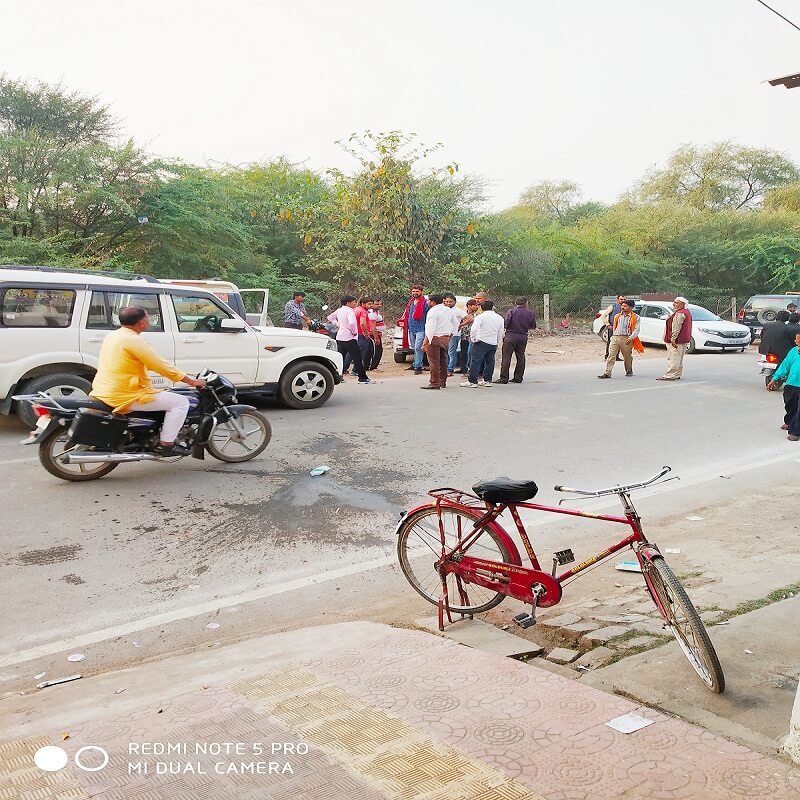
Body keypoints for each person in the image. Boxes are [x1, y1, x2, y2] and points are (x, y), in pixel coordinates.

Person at [89, 306, 205, 456]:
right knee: (181, 402)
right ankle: (167, 444)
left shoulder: (114, 336)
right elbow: (160, 365)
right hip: (126, 393)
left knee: (164, 396)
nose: (149, 320)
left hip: (104, 389)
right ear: (141, 323)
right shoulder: (133, 340)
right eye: (148, 318)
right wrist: (191, 381)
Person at [328, 296, 371, 384]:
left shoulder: (339, 310)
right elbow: (351, 323)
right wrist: (354, 331)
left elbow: (330, 317)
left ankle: (338, 376)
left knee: (341, 357)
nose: (355, 304)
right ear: (348, 303)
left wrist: (339, 325)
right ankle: (362, 377)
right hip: (349, 337)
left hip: (340, 337)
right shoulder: (350, 311)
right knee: (357, 358)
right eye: (354, 302)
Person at [462, 300, 503, 388]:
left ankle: (473, 381)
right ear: (492, 307)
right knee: (490, 361)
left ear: (481, 308)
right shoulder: (499, 318)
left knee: (476, 361)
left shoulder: (480, 317)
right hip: (492, 342)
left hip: (481, 341)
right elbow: (500, 331)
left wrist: (473, 339)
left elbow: (474, 329)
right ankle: (487, 380)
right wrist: (497, 341)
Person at [768, 331, 800, 441]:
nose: (795, 341)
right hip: (791, 384)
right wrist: (774, 378)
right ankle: (789, 421)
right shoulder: (794, 351)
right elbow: (785, 366)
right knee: (790, 404)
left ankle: (795, 432)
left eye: (798, 339)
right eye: (796, 339)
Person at [598, 299, 640, 379]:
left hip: (627, 338)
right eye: (622, 306)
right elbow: (615, 327)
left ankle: (628, 370)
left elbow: (636, 329)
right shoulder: (617, 316)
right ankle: (607, 373)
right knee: (611, 355)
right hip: (615, 337)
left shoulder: (636, 317)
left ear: (631, 307)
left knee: (627, 356)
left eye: (625, 306)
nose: (622, 307)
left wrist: (631, 338)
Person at [498, 297, 537, 383]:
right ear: (526, 303)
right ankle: (518, 377)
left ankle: (504, 378)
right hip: (523, 337)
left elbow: (506, 323)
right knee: (521, 356)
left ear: (516, 303)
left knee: (506, 357)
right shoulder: (530, 313)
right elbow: (533, 326)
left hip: (510, 336)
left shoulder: (511, 312)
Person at [421, 295, 453, 390]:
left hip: (434, 338)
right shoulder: (448, 310)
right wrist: (450, 334)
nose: (427, 302)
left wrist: (426, 342)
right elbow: (455, 323)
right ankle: (442, 380)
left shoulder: (433, 311)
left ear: (433, 302)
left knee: (434, 362)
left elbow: (430, 329)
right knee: (443, 360)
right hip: (445, 338)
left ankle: (434, 382)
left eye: (428, 301)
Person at [657, 296, 693, 381]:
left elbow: (676, 327)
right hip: (683, 339)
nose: (674, 304)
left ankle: (670, 375)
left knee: (673, 357)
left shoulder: (680, 313)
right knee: (679, 358)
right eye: (674, 302)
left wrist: (673, 339)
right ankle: (677, 374)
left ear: (683, 304)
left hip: (677, 340)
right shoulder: (686, 312)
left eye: (676, 303)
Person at [402, 284, 429, 375]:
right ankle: (415, 364)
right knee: (414, 348)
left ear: (421, 292)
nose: (415, 293)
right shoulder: (410, 302)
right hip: (411, 328)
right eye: (413, 291)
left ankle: (418, 367)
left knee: (418, 348)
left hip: (421, 328)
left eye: (417, 291)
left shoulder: (425, 303)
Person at [443, 293, 466, 377]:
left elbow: (469, 319)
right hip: (444, 333)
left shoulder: (458, 311)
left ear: (455, 302)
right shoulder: (444, 309)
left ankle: (450, 369)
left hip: (454, 334)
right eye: (447, 301)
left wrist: (460, 325)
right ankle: (445, 368)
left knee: (451, 352)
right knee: (445, 351)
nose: (448, 303)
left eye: (450, 301)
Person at [600, 294, 627, 361]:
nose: (623, 300)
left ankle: (616, 357)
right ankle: (607, 356)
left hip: (621, 329)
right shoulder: (613, 307)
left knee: (619, 342)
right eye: (621, 299)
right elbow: (603, 316)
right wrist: (608, 325)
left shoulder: (626, 307)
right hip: (612, 328)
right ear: (617, 300)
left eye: (624, 299)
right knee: (611, 342)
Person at [455, 299, 478, 374]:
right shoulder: (464, 313)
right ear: (469, 306)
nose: (476, 307)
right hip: (464, 335)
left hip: (471, 336)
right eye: (475, 305)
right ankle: (463, 368)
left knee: (470, 353)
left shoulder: (476, 314)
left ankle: (470, 368)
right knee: (463, 353)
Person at [355, 296, 374, 373]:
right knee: (361, 352)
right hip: (361, 334)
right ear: (363, 304)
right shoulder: (363, 312)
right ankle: (356, 370)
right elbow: (362, 323)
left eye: (372, 304)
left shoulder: (356, 309)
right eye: (369, 304)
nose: (371, 306)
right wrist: (366, 333)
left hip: (356, 333)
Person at [369, 299, 385, 370]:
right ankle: (373, 367)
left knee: (377, 350)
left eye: (380, 304)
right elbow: (372, 326)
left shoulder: (376, 312)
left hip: (377, 333)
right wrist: (376, 337)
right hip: (374, 334)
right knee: (377, 350)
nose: (379, 306)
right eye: (377, 304)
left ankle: (373, 366)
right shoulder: (372, 313)